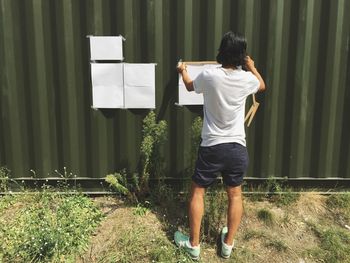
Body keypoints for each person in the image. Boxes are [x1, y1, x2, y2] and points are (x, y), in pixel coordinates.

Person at [174, 31, 266, 260]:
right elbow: (261, 85)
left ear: (221, 52)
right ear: (242, 56)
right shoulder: (247, 79)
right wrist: (252, 66)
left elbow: (188, 86)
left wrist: (182, 70)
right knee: (235, 195)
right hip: (236, 146)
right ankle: (228, 245)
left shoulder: (210, 75)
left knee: (198, 191)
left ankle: (194, 246)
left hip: (213, 146)